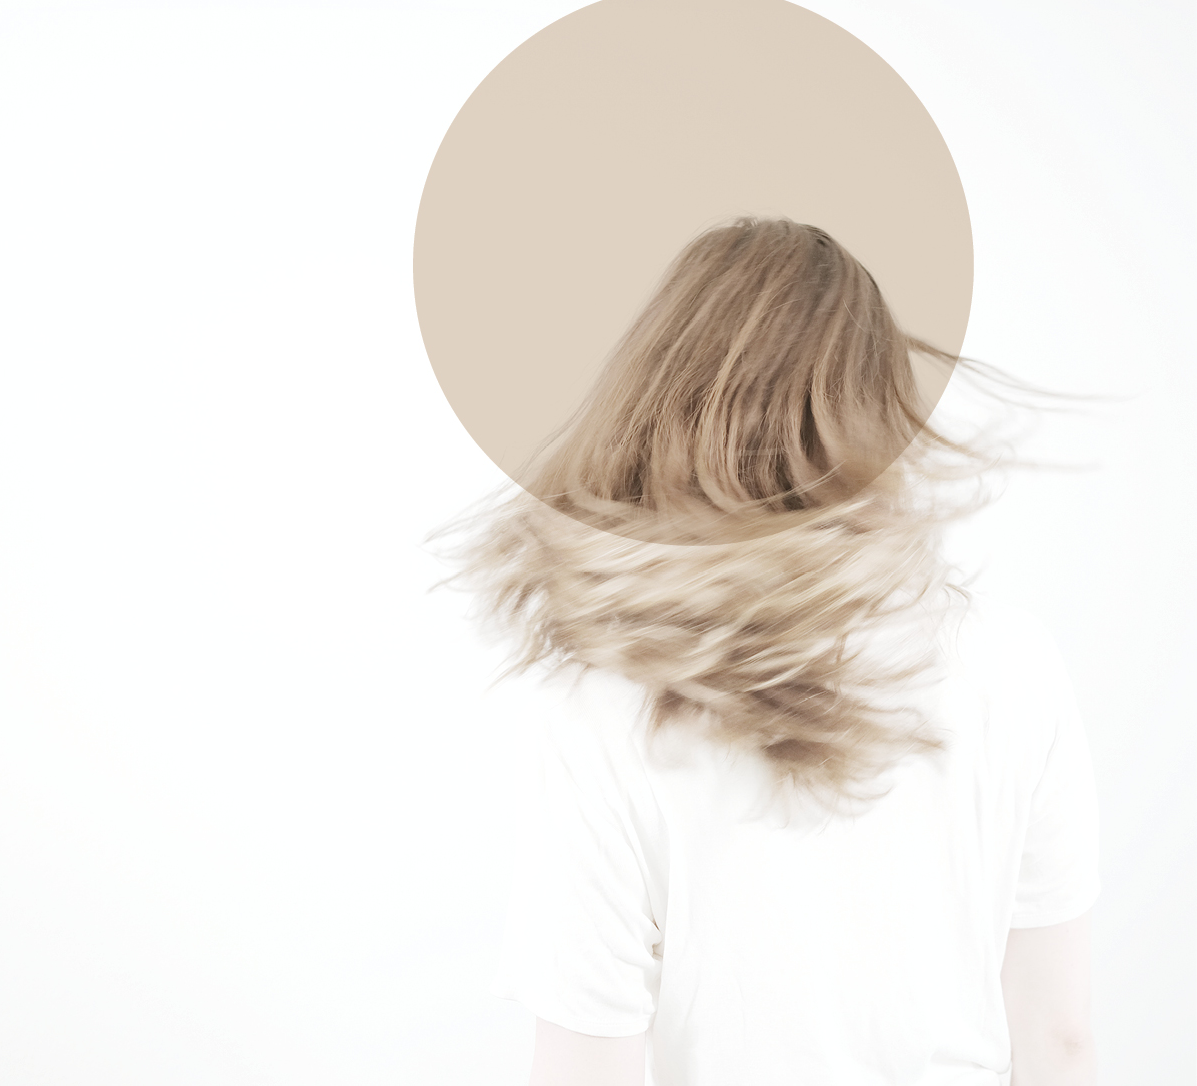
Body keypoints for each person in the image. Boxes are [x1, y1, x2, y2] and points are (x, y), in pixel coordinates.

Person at [439, 218, 1100, 1085]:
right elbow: (1059, 1039)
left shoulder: (602, 703)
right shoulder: (1012, 663)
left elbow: (582, 1068)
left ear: (661, 397)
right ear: (878, 408)